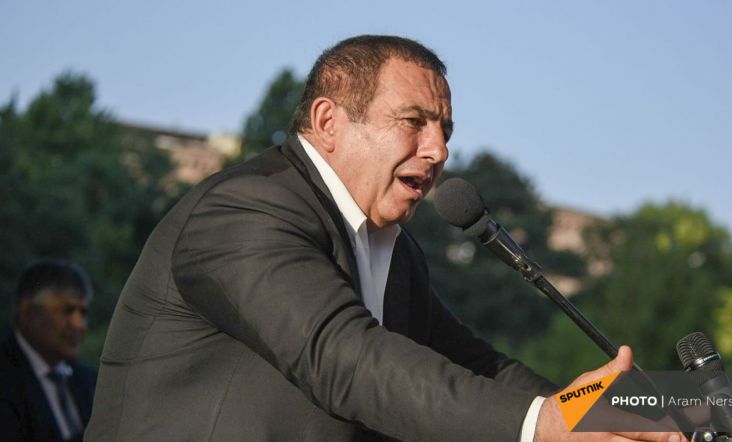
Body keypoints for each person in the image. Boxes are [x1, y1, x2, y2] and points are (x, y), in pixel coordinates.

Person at [86, 35, 685, 441]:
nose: (439, 150)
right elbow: (344, 357)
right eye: (413, 122)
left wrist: (602, 414)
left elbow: (473, 365)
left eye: (445, 130)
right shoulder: (245, 211)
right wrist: (541, 425)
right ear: (328, 122)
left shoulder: (393, 249)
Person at [0, 259, 96, 442]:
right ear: (28, 311)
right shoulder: (5, 378)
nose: (79, 325)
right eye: (67, 311)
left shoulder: (88, 380)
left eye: (83, 312)